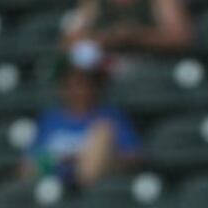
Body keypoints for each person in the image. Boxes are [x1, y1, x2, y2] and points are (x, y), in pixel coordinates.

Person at [23, 45, 142, 189]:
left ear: (96, 85)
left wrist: (95, 159)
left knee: (103, 130)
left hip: (96, 189)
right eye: (70, 83)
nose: (76, 90)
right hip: (53, 187)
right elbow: (27, 166)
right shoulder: (50, 120)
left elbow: (133, 157)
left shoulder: (111, 117)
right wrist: (63, 160)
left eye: (83, 82)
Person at [63, 0, 194, 58]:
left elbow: (181, 37)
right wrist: (108, 38)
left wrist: (135, 36)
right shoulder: (93, 2)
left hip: (156, 66)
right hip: (106, 71)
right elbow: (69, 43)